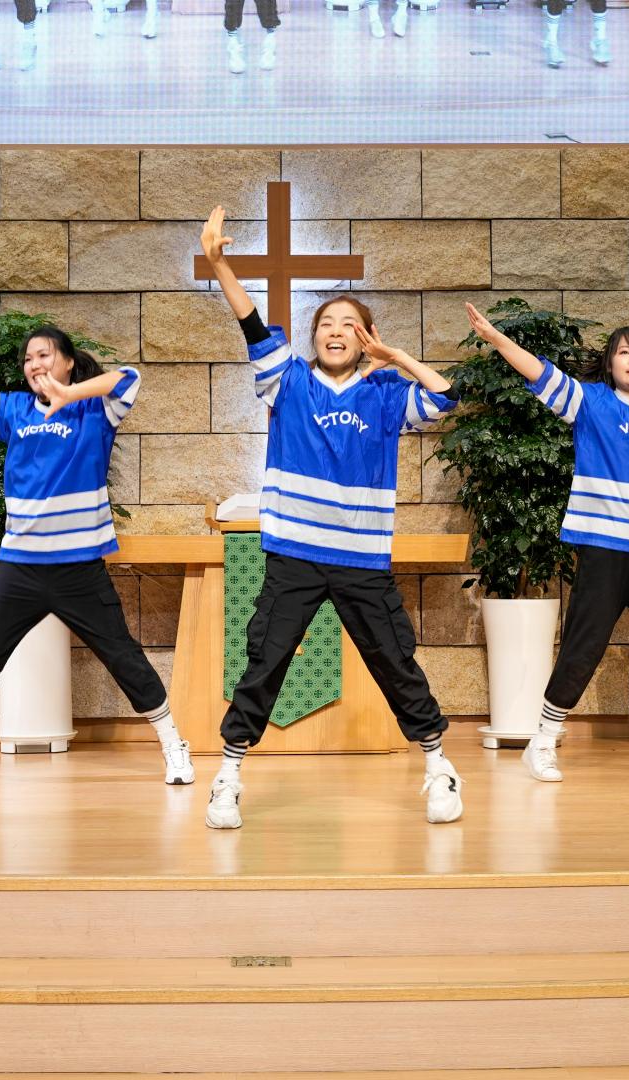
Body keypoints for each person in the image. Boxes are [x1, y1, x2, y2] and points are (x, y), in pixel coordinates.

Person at [198, 205, 461, 829]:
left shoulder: (387, 394)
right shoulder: (286, 379)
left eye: (349, 324)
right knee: (264, 662)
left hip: (361, 559)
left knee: (394, 661)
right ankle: (228, 775)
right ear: (313, 337)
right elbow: (250, 321)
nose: (335, 331)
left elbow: (448, 396)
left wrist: (396, 356)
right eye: (325, 324)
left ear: (366, 337)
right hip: (294, 555)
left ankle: (438, 765)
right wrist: (220, 265)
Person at [0, 292, 190, 787]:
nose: (35, 363)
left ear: (68, 361)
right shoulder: (15, 410)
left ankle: (172, 744)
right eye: (28, 358)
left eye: (45, 354)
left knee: (123, 656)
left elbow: (128, 377)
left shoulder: (96, 410)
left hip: (80, 568)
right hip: (22, 565)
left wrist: (70, 395)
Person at [464, 303, 629, 784]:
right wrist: (497, 338)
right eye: (623, 352)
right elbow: (539, 372)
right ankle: (543, 743)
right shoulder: (591, 402)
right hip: (604, 548)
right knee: (582, 646)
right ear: (609, 364)